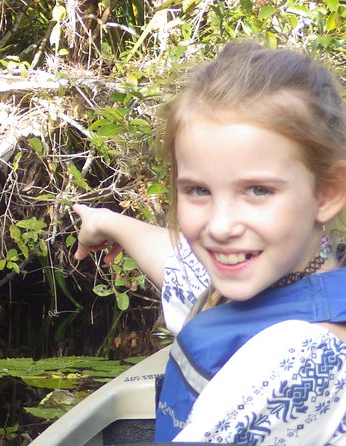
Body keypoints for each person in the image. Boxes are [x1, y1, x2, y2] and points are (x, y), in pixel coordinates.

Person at [72, 41, 346, 445]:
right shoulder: (294, 276)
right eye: (199, 190)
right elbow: (183, 273)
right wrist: (108, 222)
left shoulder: (296, 357)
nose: (219, 226)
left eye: (257, 190)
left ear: (326, 194)